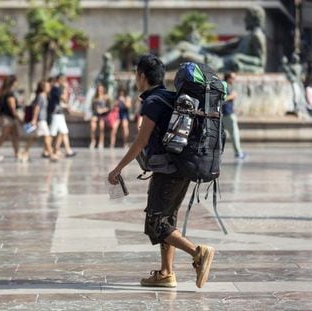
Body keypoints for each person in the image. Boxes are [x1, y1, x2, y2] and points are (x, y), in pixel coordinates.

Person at [108, 54, 215, 289]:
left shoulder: (153, 102)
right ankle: (167, 273)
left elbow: (140, 141)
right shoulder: (169, 96)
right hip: (183, 166)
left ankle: (198, 253)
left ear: (142, 76)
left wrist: (118, 168)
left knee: (156, 223)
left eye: (137, 75)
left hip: (168, 170)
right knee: (167, 219)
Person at [22, 80, 57, 162]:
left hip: (42, 119)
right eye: (47, 86)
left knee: (33, 137)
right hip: (41, 120)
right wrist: (34, 119)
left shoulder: (45, 96)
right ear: (43, 88)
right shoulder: (41, 96)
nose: (49, 88)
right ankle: (51, 155)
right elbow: (37, 108)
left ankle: (25, 152)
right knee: (47, 137)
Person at [0, 75, 22, 159]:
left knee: (15, 135)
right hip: (8, 118)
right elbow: (12, 108)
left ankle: (17, 153)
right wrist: (19, 118)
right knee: (4, 136)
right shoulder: (10, 94)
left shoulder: (4, 92)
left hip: (9, 118)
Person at [49, 74, 76, 157]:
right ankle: (47, 150)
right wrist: (65, 89)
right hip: (56, 114)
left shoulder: (56, 88)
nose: (65, 82)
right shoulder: (56, 88)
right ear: (59, 80)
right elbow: (63, 99)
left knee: (63, 132)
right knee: (52, 133)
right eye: (64, 80)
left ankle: (63, 150)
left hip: (59, 114)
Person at [222, 72, 246, 159]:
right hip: (227, 115)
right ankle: (238, 153)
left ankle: (238, 152)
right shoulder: (224, 86)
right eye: (233, 78)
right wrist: (232, 96)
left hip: (227, 113)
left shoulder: (228, 86)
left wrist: (236, 110)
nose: (234, 80)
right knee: (235, 134)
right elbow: (221, 99)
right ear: (228, 78)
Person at [90, 84, 110, 149]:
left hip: (103, 115)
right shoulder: (94, 98)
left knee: (101, 126)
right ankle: (93, 141)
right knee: (93, 126)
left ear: (103, 90)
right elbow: (92, 108)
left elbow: (109, 108)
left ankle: (101, 142)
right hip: (95, 114)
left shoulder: (106, 97)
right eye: (98, 90)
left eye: (101, 90)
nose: (100, 91)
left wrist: (103, 110)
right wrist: (95, 112)